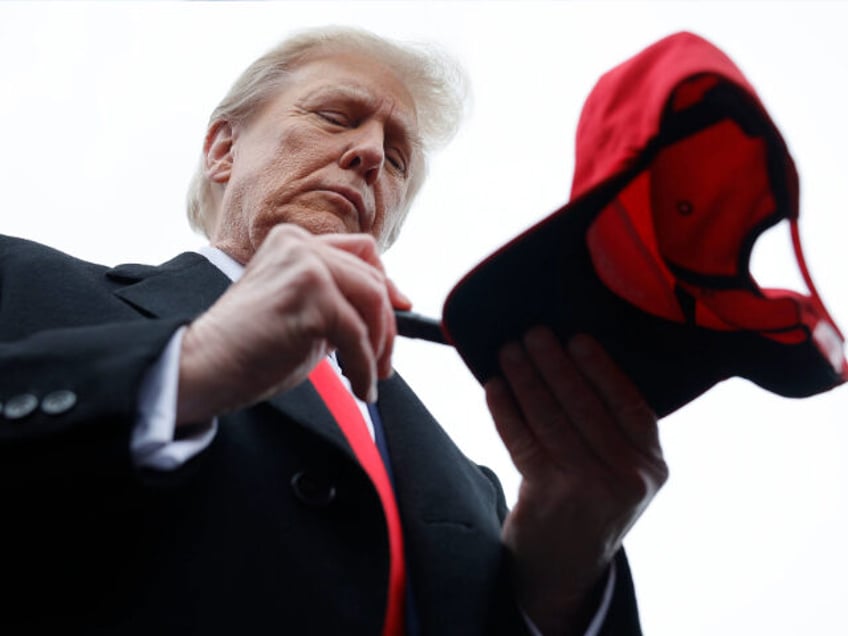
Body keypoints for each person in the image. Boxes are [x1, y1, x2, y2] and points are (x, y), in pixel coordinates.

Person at [0, 26, 666, 635]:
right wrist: (184, 368)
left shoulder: (478, 492)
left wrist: (565, 578)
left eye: (399, 158)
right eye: (335, 117)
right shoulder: (20, 282)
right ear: (223, 148)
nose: (371, 153)